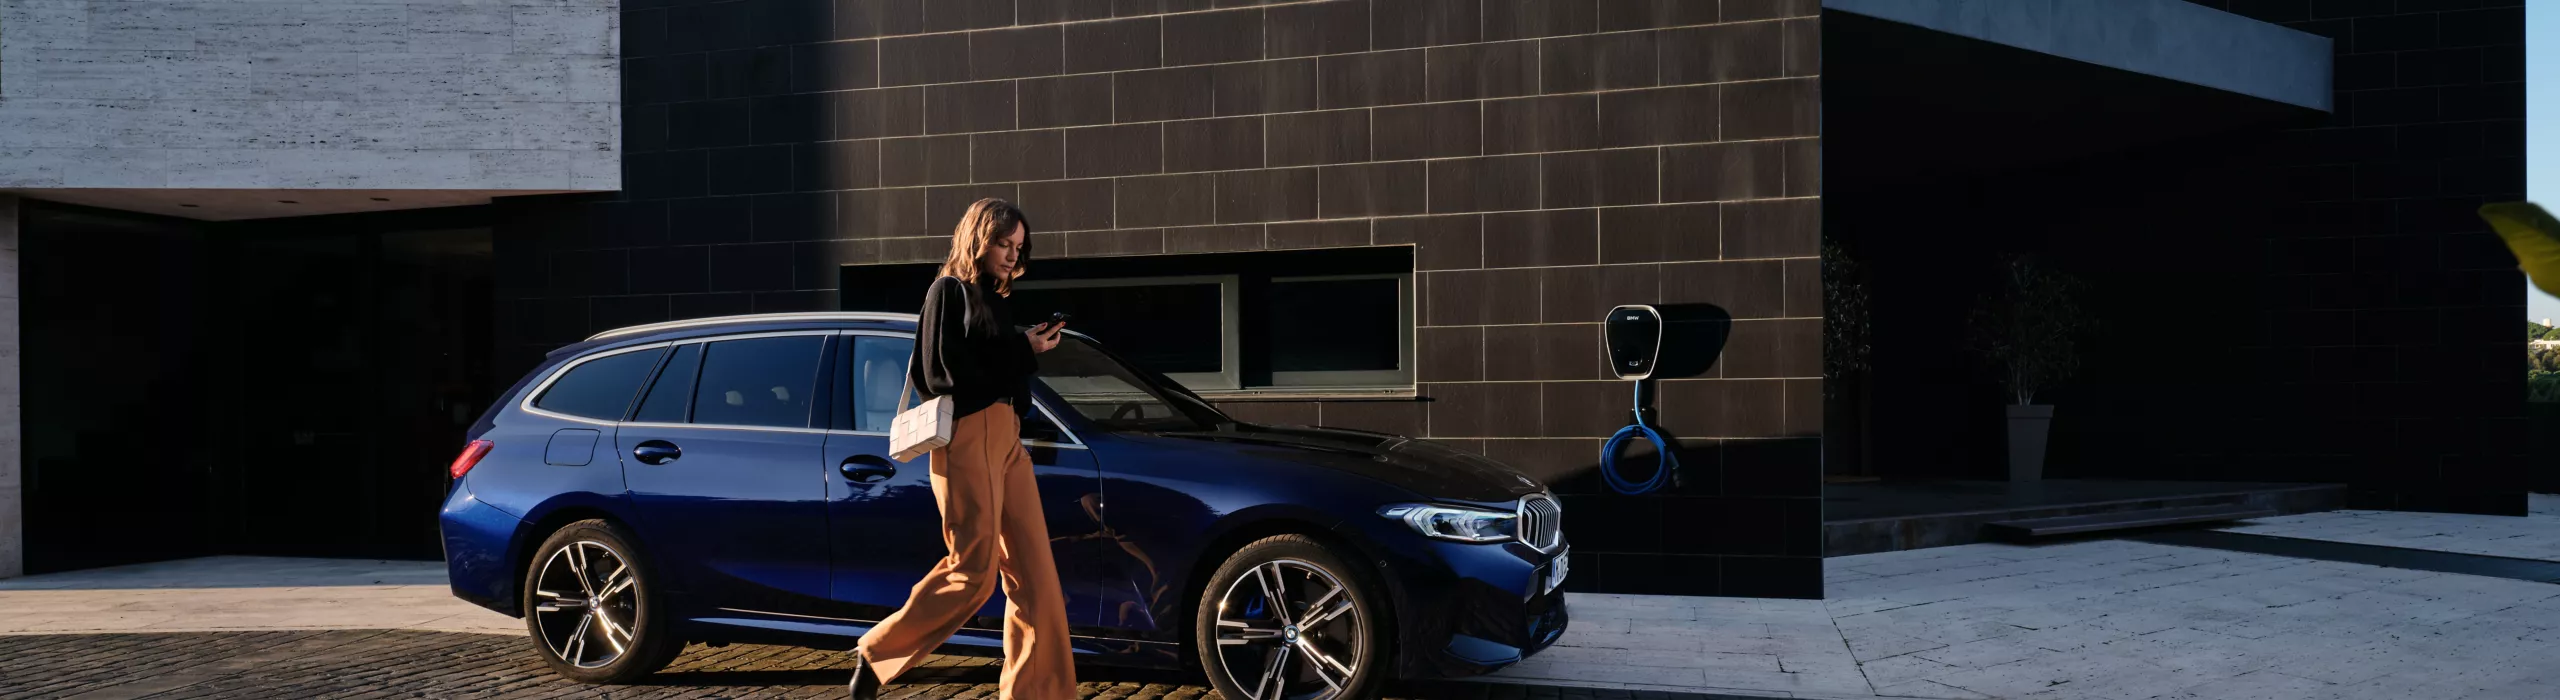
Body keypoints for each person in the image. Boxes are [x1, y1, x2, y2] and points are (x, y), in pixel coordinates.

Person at [850, 198, 1072, 700]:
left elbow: (998, 366)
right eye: (1002, 243)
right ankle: (877, 652)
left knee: (1038, 580)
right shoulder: (947, 292)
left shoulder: (996, 299)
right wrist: (1023, 350)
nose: (1012, 255)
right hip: (967, 437)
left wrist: (1024, 352)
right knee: (973, 573)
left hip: (1007, 440)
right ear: (978, 236)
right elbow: (941, 373)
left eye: (1018, 247)